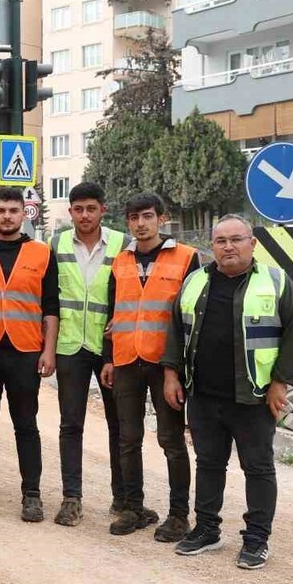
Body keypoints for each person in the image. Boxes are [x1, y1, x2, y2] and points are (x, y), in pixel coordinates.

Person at [163, 215, 293, 569]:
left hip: (254, 397)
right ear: (212, 246)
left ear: (252, 243)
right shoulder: (195, 281)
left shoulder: (275, 282)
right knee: (209, 463)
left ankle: (257, 539)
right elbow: (175, 330)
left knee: (257, 467)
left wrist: (280, 381)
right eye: (221, 241)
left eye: (236, 239)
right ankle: (207, 529)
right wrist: (171, 374)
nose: (228, 247)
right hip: (203, 395)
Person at [101, 192, 200, 540]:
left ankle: (177, 515)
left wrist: (178, 369)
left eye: (146, 216)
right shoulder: (120, 261)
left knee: (171, 439)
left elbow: (191, 316)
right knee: (128, 439)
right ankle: (132, 508)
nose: (140, 224)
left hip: (165, 365)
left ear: (161, 218)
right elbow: (112, 312)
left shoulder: (187, 258)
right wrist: (109, 358)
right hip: (127, 360)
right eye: (133, 218)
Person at [0, 187, 59, 523]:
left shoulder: (41, 253)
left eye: (13, 211)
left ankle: (31, 495)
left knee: (26, 426)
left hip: (25, 352)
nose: (7, 216)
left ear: (24, 214)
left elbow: (50, 306)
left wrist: (48, 350)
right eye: (1, 210)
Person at [49, 183, 128, 527]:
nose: (84, 215)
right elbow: (49, 298)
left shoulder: (122, 244)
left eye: (91, 209)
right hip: (70, 346)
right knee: (71, 424)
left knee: (118, 424)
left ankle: (122, 497)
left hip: (110, 348)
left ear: (102, 210)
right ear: (70, 212)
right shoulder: (56, 244)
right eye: (78, 209)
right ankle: (72, 498)